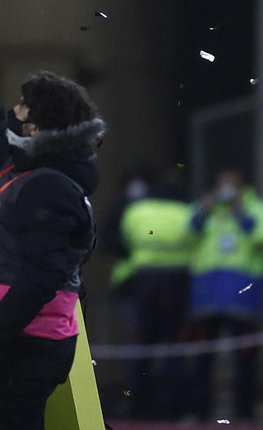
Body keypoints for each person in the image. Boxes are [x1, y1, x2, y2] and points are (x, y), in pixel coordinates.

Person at [0, 7, 105, 430]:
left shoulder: (50, 185)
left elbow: (40, 277)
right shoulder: (32, 165)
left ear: (36, 129)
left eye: (24, 106)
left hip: (27, 341)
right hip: (20, 338)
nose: (14, 109)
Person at [182, 170, 263, 421]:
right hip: (207, 296)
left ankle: (245, 414)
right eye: (221, 184)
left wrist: (239, 209)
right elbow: (188, 231)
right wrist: (206, 207)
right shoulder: (207, 209)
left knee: (245, 358)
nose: (226, 189)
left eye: (231, 185)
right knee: (202, 357)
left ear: (242, 186)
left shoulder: (256, 208)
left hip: (242, 297)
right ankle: (200, 412)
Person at [106, 175, 192, 418]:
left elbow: (120, 238)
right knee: (174, 344)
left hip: (141, 284)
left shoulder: (137, 210)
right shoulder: (186, 211)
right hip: (177, 283)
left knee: (141, 344)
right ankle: (173, 406)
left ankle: (137, 404)